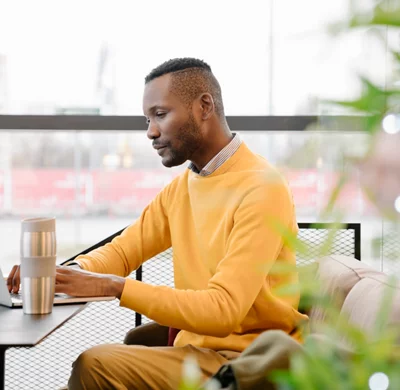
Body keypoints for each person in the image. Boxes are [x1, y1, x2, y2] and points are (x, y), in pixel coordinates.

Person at [7, 57, 308, 390]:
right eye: (148, 119)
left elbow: (224, 310)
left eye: (160, 115)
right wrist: (63, 273)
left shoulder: (262, 188)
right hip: (194, 354)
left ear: (204, 106)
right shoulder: (184, 187)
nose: (151, 131)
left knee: (94, 365)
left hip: (242, 363)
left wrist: (113, 286)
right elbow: (122, 252)